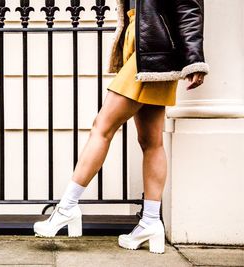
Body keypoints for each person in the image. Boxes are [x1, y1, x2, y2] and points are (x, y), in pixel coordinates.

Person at [33, 0, 209, 254]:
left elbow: (188, 6)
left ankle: (67, 207)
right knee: (150, 141)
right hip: (143, 42)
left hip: (154, 47)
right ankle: (150, 221)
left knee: (102, 127)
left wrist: (195, 58)